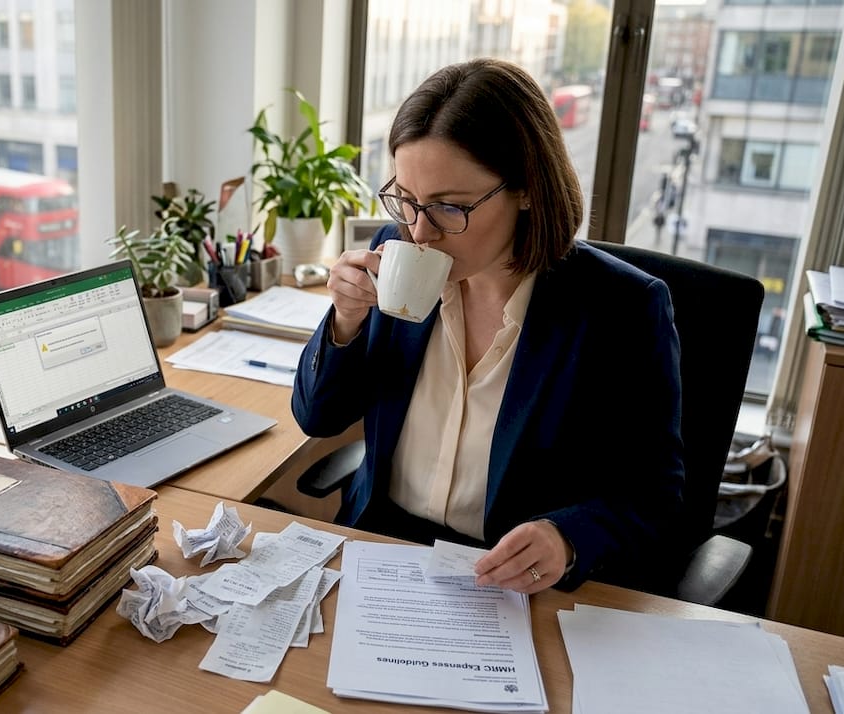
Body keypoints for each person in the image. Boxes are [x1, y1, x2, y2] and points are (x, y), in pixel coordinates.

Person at [292, 58, 684, 595]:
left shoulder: (620, 308)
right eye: (407, 199)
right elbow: (318, 416)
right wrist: (345, 321)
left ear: (526, 188)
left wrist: (565, 539)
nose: (421, 231)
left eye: (450, 208)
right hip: (380, 552)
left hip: (507, 583)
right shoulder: (398, 253)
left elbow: (655, 498)